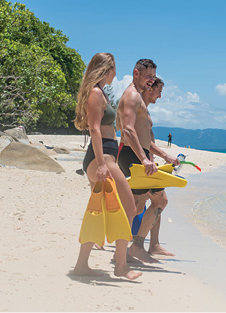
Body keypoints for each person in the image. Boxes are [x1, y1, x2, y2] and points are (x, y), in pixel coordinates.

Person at [71, 53, 141, 280]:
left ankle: (82, 265)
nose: (116, 73)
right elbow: (94, 129)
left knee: (99, 212)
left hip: (106, 156)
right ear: (105, 69)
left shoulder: (100, 93)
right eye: (113, 69)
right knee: (129, 208)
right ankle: (120, 265)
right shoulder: (95, 93)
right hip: (101, 159)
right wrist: (101, 164)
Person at [116, 59, 179, 263]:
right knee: (154, 201)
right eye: (148, 76)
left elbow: (143, 137)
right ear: (136, 73)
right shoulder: (133, 96)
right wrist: (144, 159)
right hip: (132, 156)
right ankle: (133, 248)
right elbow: (127, 130)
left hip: (137, 155)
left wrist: (164, 156)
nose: (151, 81)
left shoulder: (139, 98)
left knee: (137, 205)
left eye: (153, 77)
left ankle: (135, 247)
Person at [143, 78, 175, 256]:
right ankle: (137, 245)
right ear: (150, 88)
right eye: (159, 91)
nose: (160, 96)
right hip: (143, 163)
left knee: (151, 202)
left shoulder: (144, 108)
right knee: (159, 201)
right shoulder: (140, 108)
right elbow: (141, 140)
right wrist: (166, 155)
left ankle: (153, 244)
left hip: (147, 161)